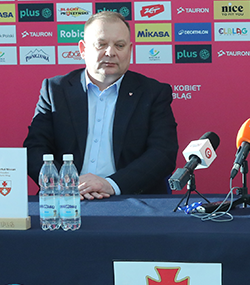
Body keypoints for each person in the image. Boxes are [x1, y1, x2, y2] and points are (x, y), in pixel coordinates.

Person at [24, 11, 178, 198]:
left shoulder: (153, 93)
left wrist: (111, 184)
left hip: (129, 198)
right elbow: (35, 149)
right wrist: (67, 184)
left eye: (119, 45)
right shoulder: (55, 90)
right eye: (101, 44)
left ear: (129, 50)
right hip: (66, 198)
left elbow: (163, 153)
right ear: (83, 49)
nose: (110, 52)